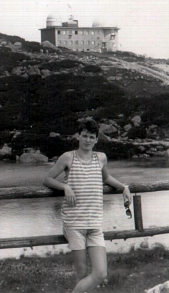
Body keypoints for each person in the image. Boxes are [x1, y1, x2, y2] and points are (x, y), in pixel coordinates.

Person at [43, 119, 132, 293]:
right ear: (78, 136)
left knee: (100, 273)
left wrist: (124, 187)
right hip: (74, 223)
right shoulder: (68, 157)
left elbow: (106, 178)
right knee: (82, 273)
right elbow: (47, 179)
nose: (88, 140)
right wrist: (65, 186)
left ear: (97, 139)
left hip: (95, 223)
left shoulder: (101, 158)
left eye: (91, 137)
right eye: (84, 136)